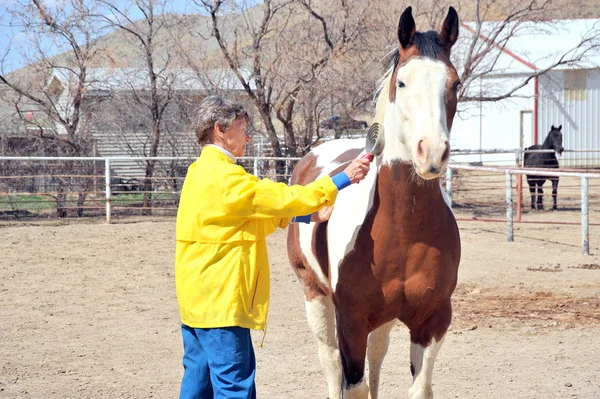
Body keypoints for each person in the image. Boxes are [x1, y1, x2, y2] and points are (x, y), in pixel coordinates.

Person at [175, 95, 370, 399]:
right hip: (222, 301)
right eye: (242, 128)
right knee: (234, 386)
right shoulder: (226, 177)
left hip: (195, 300)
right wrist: (341, 180)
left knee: (198, 382)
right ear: (220, 130)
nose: (247, 136)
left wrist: (304, 215)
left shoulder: (198, 172)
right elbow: (280, 197)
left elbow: (242, 221)